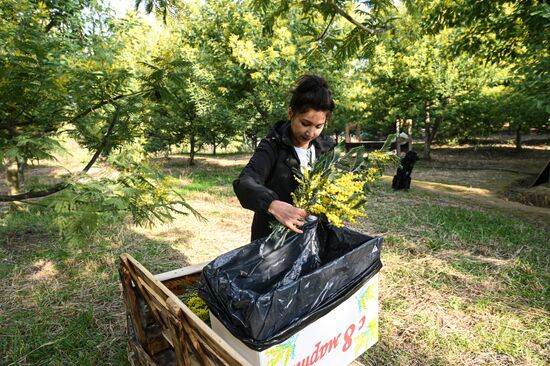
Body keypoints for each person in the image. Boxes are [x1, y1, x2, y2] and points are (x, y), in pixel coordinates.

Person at [233, 74, 336, 241]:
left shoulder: (326, 148)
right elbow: (244, 183)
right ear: (290, 113)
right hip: (275, 242)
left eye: (318, 126)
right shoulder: (272, 146)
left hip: (314, 238)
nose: (310, 133)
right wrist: (272, 204)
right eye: (305, 123)